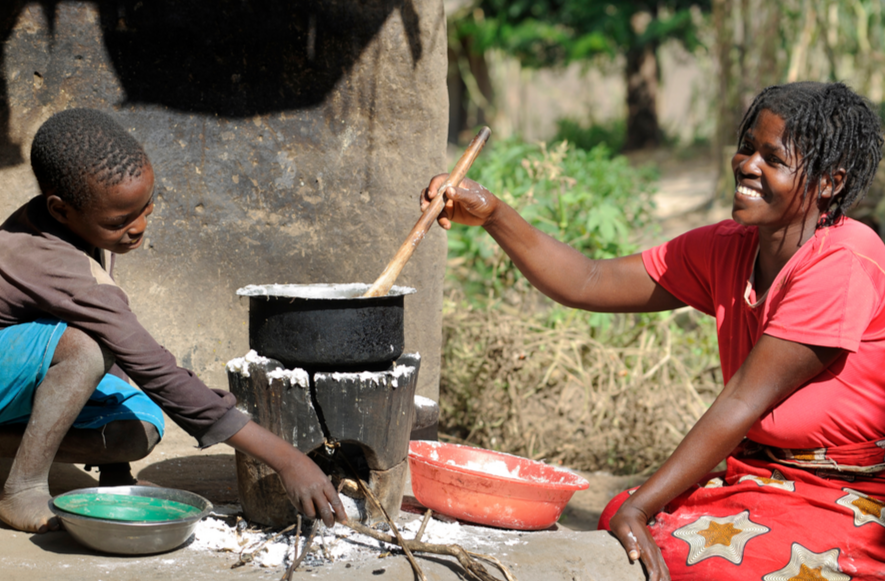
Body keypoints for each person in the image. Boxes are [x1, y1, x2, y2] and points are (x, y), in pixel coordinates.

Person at [422, 81, 885, 580]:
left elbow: (741, 402)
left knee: (695, 556)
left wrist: (642, 507)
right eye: (747, 147)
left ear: (830, 183)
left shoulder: (844, 262)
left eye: (773, 159)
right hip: (764, 474)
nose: (747, 165)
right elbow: (589, 280)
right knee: (625, 522)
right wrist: (493, 214)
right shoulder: (730, 247)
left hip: (850, 491)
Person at [0, 108, 346, 533]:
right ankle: (21, 488)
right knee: (85, 352)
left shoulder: (80, 226)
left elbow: (123, 351)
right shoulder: (46, 258)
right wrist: (288, 460)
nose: (138, 227)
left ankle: (13, 450)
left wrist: (114, 470)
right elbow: (151, 365)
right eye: (120, 221)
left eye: (146, 207)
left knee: (139, 426)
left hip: (15, 381)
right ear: (60, 209)